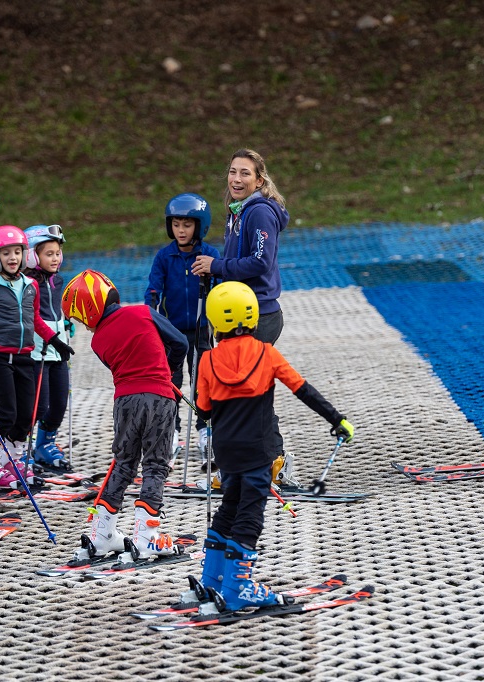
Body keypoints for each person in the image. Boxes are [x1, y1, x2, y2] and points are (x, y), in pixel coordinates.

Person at [193, 281, 354, 611]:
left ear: (214, 323)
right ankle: (238, 588)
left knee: (229, 510)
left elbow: (204, 409)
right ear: (252, 318)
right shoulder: (267, 353)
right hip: (257, 454)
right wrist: (337, 419)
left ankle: (211, 582)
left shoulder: (207, 361)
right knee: (249, 519)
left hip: (227, 454)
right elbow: (302, 390)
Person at [62, 269, 188, 562]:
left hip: (124, 402)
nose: (86, 327)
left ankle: (102, 532)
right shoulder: (143, 313)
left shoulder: (97, 342)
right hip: (159, 396)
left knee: (124, 463)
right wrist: (169, 372)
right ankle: (146, 536)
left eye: (82, 320)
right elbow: (180, 342)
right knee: (156, 464)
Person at [190, 149, 295, 485]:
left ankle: (268, 462)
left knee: (244, 395)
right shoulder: (238, 211)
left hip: (258, 314)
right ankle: (259, 463)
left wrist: (217, 266)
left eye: (245, 174)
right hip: (236, 311)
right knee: (242, 393)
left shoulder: (259, 212)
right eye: (233, 172)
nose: (236, 179)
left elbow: (261, 263)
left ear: (259, 180)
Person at [0, 226, 74, 487]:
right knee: (8, 414)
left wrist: (54, 341)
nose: (13, 257)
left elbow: (36, 318)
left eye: (17, 252)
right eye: (6, 253)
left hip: (26, 356)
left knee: (27, 415)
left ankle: (13, 459)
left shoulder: (30, 286)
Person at [145, 193, 221, 465]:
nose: (181, 230)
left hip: (201, 330)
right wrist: (151, 318)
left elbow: (222, 290)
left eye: (187, 225)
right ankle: (171, 432)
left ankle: (205, 432)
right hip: (172, 334)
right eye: (176, 224)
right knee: (171, 384)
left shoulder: (210, 255)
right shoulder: (164, 257)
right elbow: (153, 290)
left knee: (203, 383)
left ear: (199, 226)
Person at [24, 224, 73, 473]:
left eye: (57, 253)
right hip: (37, 351)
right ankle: (22, 448)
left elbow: (57, 310)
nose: (55, 258)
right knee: (38, 405)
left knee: (59, 402)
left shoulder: (58, 280)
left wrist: (66, 323)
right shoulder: (28, 283)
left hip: (59, 350)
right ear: (33, 256)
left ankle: (44, 444)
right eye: (48, 254)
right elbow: (32, 317)